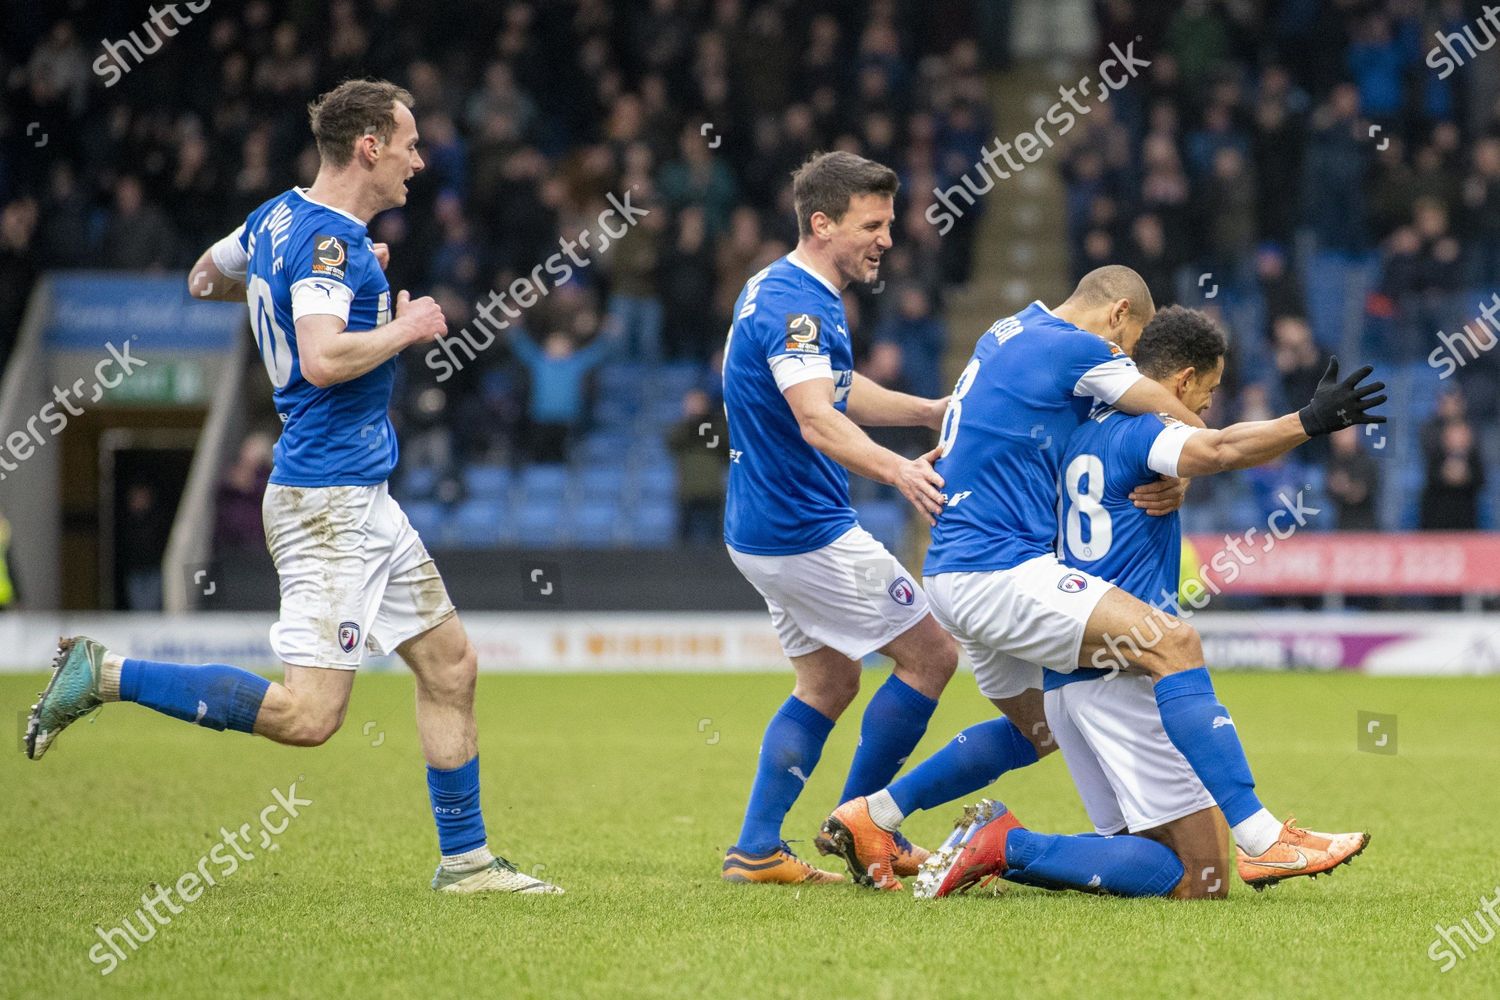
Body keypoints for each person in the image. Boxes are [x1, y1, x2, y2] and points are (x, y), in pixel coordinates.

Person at [25, 79, 560, 895]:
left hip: (361, 499)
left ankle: (468, 863)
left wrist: (317, 285)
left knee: (451, 667)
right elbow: (319, 359)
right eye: (410, 144)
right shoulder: (329, 243)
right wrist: (405, 325)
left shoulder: (279, 217)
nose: (421, 160)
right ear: (370, 146)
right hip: (325, 502)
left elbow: (205, 278)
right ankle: (105, 674)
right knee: (310, 718)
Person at [819, 276, 1384, 894]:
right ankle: (1260, 837)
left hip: (963, 572)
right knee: (1174, 647)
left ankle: (877, 814)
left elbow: (969, 418)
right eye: (1207, 391)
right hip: (1004, 575)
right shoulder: (1092, 367)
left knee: (1036, 731)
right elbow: (1213, 444)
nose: (1125, 360)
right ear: (1122, 318)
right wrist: (1304, 421)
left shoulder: (1012, 348)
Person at [718, 151, 957, 885]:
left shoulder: (778, 284)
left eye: (888, 223)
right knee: (934, 656)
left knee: (827, 683)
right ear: (822, 223)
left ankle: (757, 850)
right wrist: (899, 468)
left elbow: (837, 387)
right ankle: (863, 828)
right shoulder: (804, 306)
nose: (887, 238)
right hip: (804, 531)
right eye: (872, 225)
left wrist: (927, 412)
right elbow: (818, 419)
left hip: (760, 528)